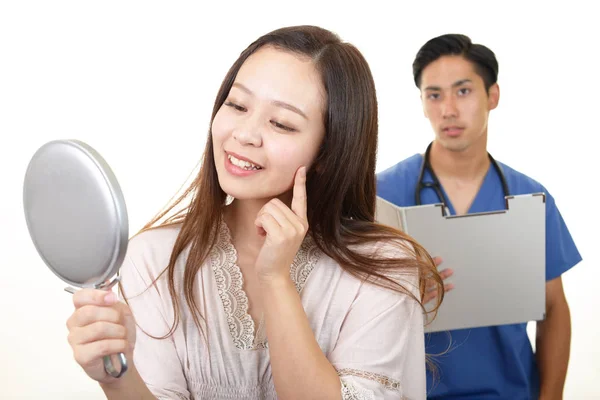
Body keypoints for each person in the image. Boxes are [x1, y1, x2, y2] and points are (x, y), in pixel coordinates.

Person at [65, 25, 444, 400]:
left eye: (281, 123)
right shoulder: (153, 258)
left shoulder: (384, 266)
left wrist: (276, 280)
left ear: (329, 153)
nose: (245, 134)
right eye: (237, 105)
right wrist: (115, 379)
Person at [376, 34, 582, 399]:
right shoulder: (382, 194)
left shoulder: (529, 197)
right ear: (423, 104)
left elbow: (553, 309)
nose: (448, 110)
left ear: (493, 96)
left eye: (463, 91)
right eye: (434, 94)